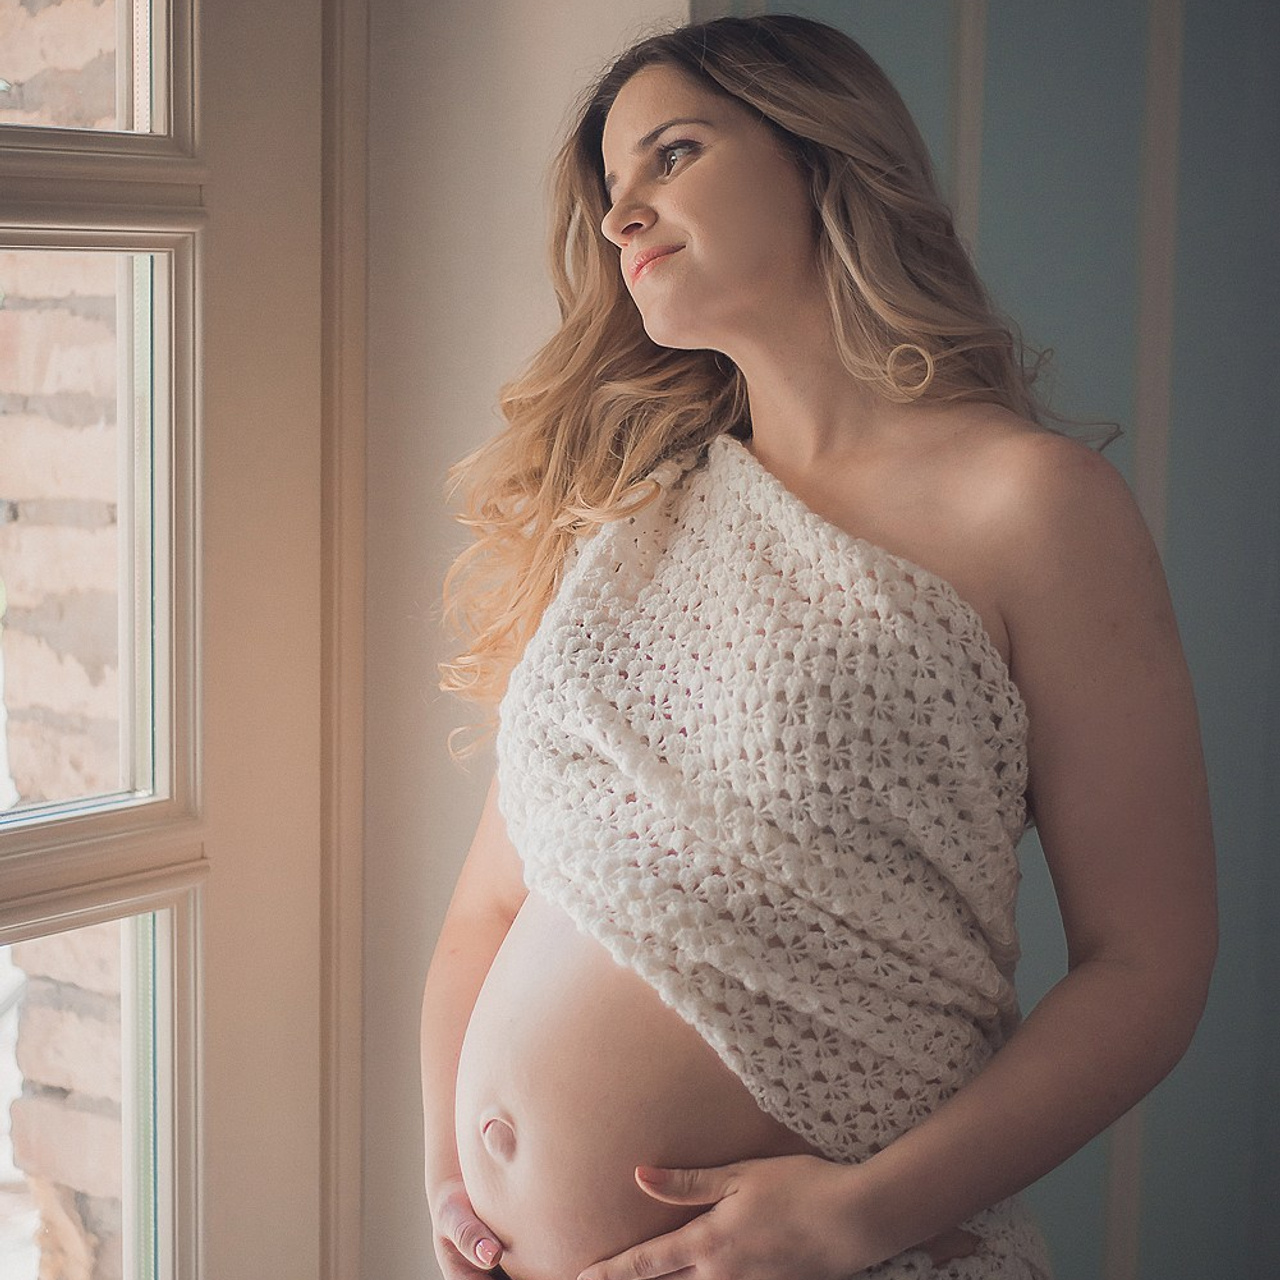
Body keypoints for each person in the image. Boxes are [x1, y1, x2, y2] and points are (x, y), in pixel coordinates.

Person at [421, 15, 1217, 1280]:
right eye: (610, 188)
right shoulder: (637, 514)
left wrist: (860, 1215)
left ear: (818, 155)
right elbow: (490, 904)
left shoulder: (1028, 505)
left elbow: (1147, 963)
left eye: (672, 154)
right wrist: (454, 1176)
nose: (623, 215)